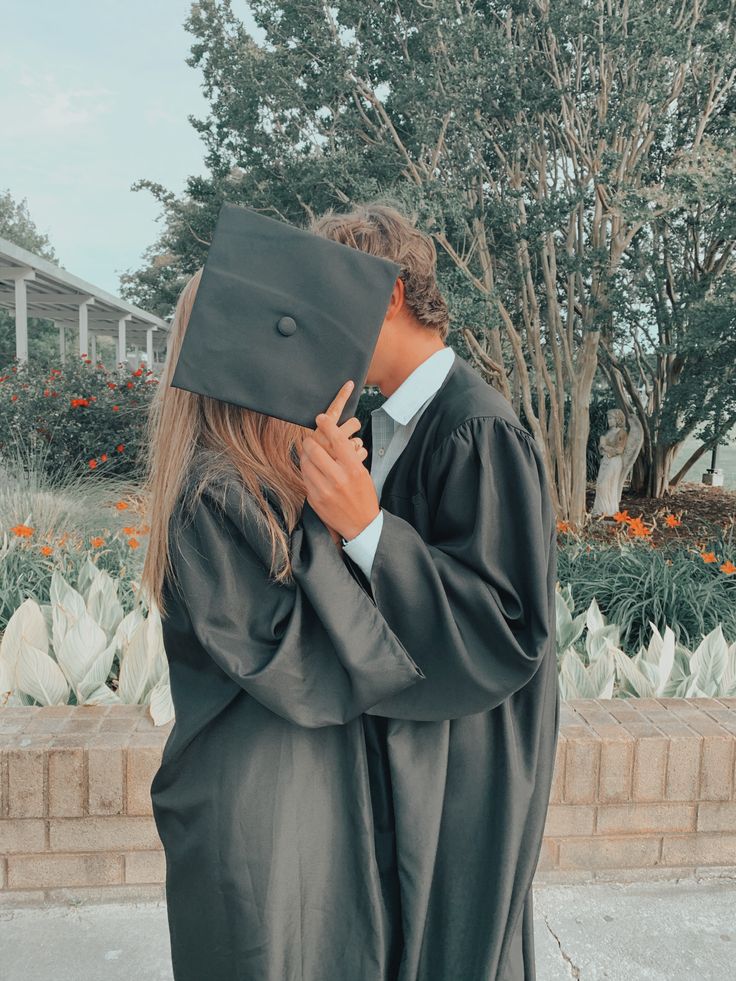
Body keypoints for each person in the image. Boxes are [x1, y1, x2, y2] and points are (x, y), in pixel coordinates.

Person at [146, 201, 559, 981]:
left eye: (331, 297)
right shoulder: (383, 422)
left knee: (456, 947)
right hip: (395, 741)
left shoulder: (479, 427)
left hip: (463, 750)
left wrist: (367, 526)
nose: (316, 323)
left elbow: (509, 625)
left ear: (389, 292)